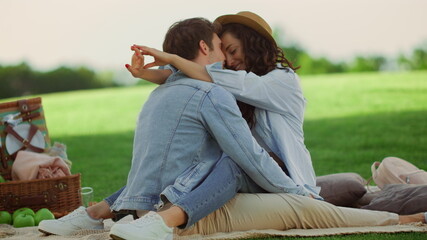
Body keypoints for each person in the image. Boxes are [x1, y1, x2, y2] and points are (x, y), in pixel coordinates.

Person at [38, 16, 312, 238]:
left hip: (280, 172)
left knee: (230, 159)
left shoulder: (280, 80)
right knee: (186, 161)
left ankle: (161, 221)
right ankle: (94, 214)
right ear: (206, 48)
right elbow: (188, 76)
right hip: (254, 168)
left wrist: (298, 195)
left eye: (233, 51)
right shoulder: (225, 82)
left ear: (253, 45)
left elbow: (205, 76)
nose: (228, 60)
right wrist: (147, 72)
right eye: (223, 50)